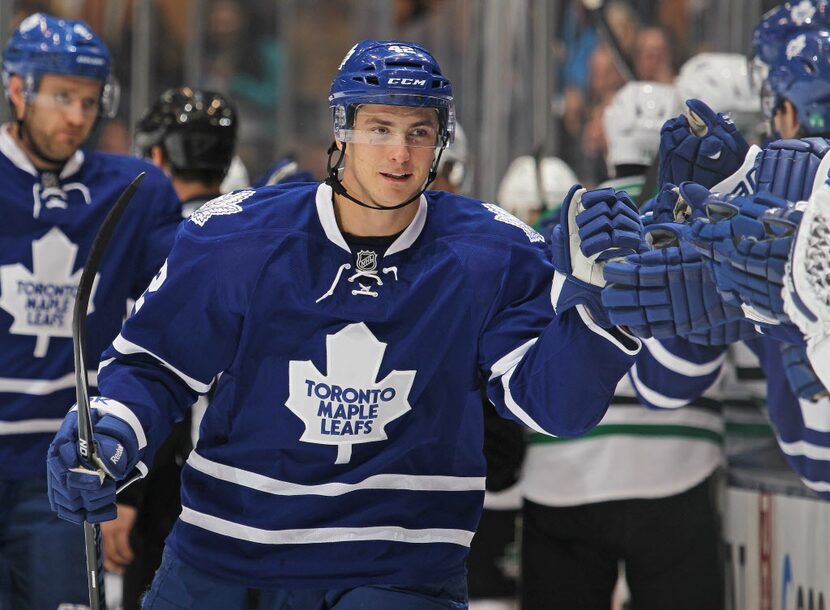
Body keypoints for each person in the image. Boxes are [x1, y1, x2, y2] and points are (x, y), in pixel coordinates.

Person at [46, 39, 643, 609]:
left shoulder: (493, 252)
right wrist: (113, 437)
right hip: (226, 558)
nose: (401, 155)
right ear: (341, 130)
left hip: (400, 568)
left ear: (442, 140)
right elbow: (156, 365)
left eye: (419, 132)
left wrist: (601, 317)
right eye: (380, 129)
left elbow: (552, 408)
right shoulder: (238, 237)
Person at [520, 81, 725, 610]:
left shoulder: (558, 224)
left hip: (561, 475)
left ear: (608, 143)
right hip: (677, 469)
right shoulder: (704, 211)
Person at [0, 13, 181, 610]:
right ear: (17, 89)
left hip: (64, 469)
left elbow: (163, 335)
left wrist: (126, 486)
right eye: (61, 97)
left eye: (88, 100)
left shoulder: (134, 190)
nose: (77, 117)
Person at [101, 86, 240, 610]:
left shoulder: (159, 244)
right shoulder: (259, 238)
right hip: (254, 487)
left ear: (156, 156)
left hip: (170, 488)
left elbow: (153, 374)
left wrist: (128, 493)